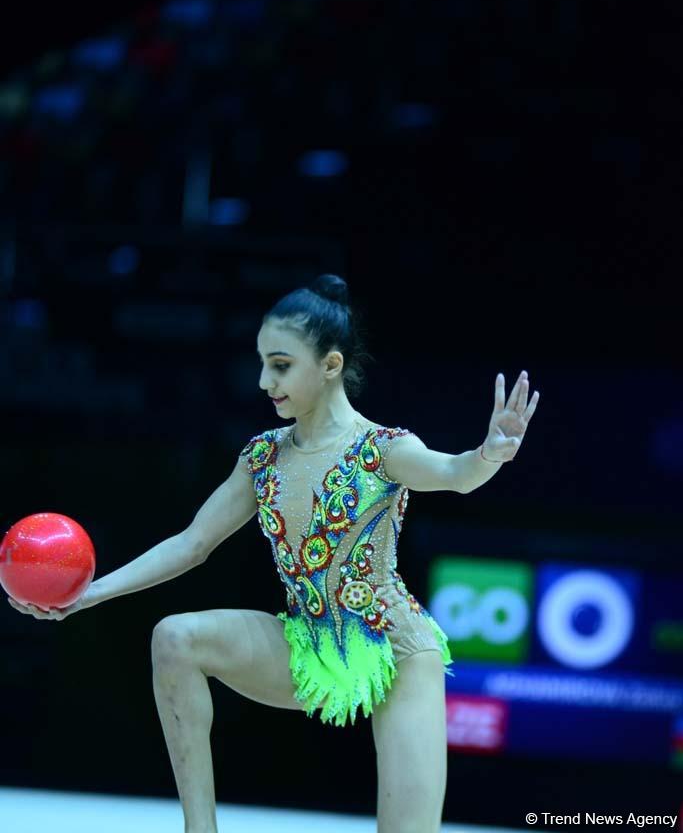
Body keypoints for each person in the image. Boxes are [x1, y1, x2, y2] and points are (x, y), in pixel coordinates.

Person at [7, 272, 540, 833]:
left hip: (393, 650)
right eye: (262, 362)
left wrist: (489, 453)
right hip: (305, 641)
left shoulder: (383, 449)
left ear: (330, 365)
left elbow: (454, 474)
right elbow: (192, 542)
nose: (264, 380)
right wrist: (88, 595)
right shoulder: (262, 457)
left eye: (281, 365)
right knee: (176, 638)